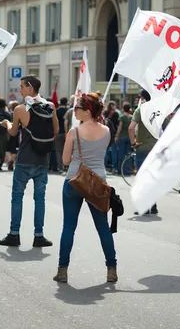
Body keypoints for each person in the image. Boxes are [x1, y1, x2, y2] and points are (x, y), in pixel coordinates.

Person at [53, 93, 117, 283]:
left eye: (77, 108)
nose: (74, 111)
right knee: (103, 227)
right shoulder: (106, 131)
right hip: (98, 182)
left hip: (75, 180)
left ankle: (62, 270)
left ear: (87, 111)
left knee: (69, 227)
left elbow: (65, 160)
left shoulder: (74, 132)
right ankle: (111, 269)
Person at [0, 75, 59, 248]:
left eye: (22, 86)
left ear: (30, 88)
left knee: (17, 197)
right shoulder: (50, 106)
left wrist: (7, 124)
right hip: (42, 160)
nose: (19, 90)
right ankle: (39, 236)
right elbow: (56, 130)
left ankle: (14, 234)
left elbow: (13, 133)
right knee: (40, 199)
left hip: (24, 159)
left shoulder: (20, 110)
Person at [128, 90, 158, 214]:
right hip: (156, 149)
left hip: (142, 149)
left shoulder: (140, 110)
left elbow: (131, 128)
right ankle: (154, 205)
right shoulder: (158, 111)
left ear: (143, 98)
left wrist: (133, 143)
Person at [115, 102, 133, 175]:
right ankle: (128, 170)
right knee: (128, 154)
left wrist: (116, 136)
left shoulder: (122, 117)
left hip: (122, 137)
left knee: (121, 154)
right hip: (129, 137)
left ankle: (120, 170)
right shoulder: (132, 117)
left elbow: (120, 127)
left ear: (123, 108)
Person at [54, 97, 69, 172]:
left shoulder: (56, 111)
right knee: (67, 150)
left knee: (58, 151)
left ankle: (60, 167)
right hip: (68, 133)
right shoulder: (68, 111)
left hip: (58, 132)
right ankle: (66, 166)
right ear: (66, 103)